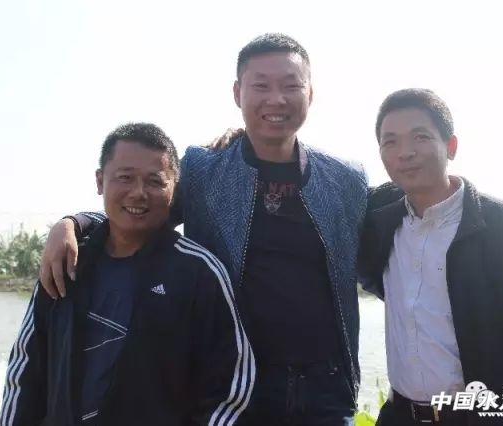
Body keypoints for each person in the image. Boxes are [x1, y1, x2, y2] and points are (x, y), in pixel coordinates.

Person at [38, 34, 367, 425]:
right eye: (261, 85)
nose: (276, 99)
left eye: (290, 85)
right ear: (237, 93)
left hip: (326, 389)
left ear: (310, 93)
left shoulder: (346, 180)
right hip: (232, 383)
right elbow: (140, 212)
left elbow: (392, 242)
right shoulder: (204, 169)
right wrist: (75, 223)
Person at [0, 123, 253, 426]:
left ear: (175, 188)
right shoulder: (67, 262)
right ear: (100, 181)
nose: (138, 193)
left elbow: (230, 387)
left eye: (155, 181)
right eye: (125, 178)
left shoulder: (200, 272)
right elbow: (25, 371)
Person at [359, 88, 503, 425]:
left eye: (420, 137)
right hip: (399, 415)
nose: (405, 153)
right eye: (390, 142)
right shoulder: (380, 222)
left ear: (451, 146)